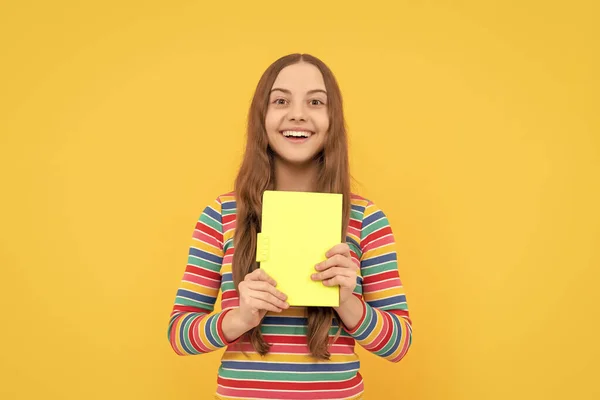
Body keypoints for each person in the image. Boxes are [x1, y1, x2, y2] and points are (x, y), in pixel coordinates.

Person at [167, 53, 412, 400]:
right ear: (261, 118)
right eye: (281, 100)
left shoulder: (365, 218)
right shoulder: (221, 214)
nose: (298, 113)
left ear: (332, 119)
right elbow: (179, 334)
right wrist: (240, 318)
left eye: (315, 102)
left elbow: (399, 344)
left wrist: (347, 301)